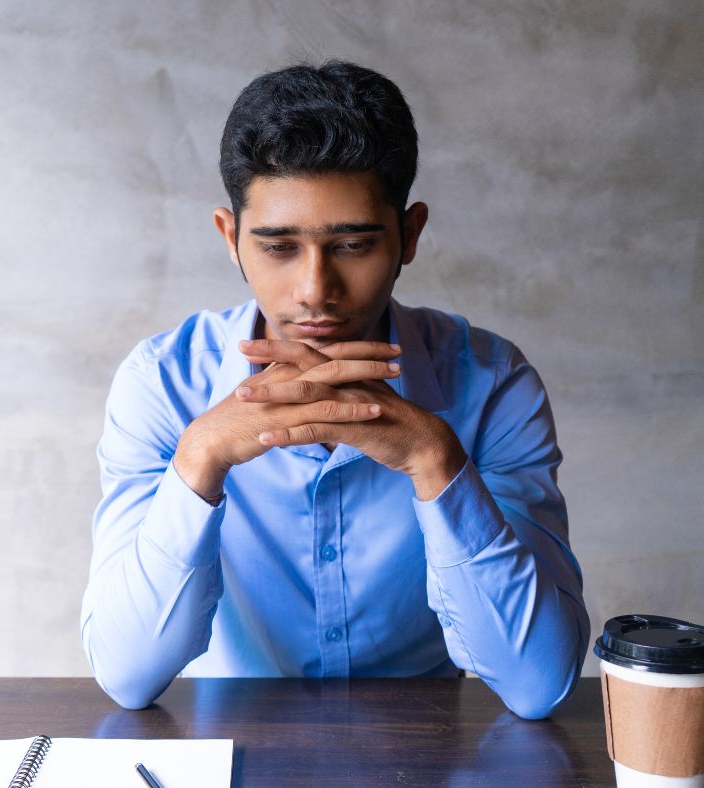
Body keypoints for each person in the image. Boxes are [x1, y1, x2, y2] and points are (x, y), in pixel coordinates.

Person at [80, 60, 589, 719]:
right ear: (231, 238)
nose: (315, 290)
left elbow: (538, 684)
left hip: (424, 752)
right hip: (232, 749)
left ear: (409, 235)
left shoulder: (493, 384)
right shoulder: (161, 383)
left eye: (352, 245)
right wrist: (200, 457)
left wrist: (436, 461)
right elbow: (126, 675)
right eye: (279, 247)